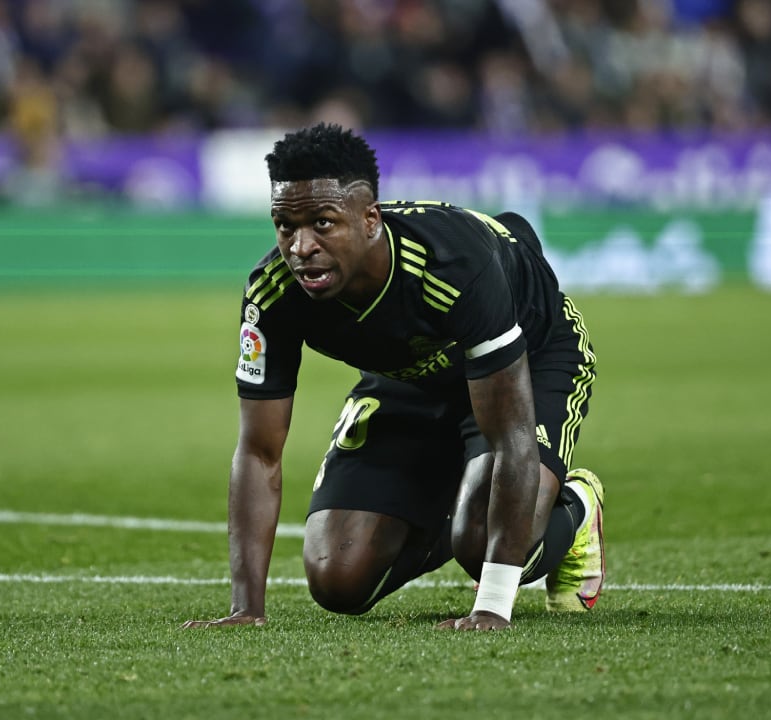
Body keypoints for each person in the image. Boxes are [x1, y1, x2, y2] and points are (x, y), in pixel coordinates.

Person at [182, 123, 604, 632]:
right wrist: (246, 609)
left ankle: (574, 508)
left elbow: (511, 435)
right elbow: (258, 451)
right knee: (336, 578)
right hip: (410, 376)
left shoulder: (453, 265)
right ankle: (466, 502)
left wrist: (491, 606)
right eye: (285, 226)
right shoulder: (274, 296)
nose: (300, 247)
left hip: (527, 359)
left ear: (370, 221)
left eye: (322, 223)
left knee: (481, 544)